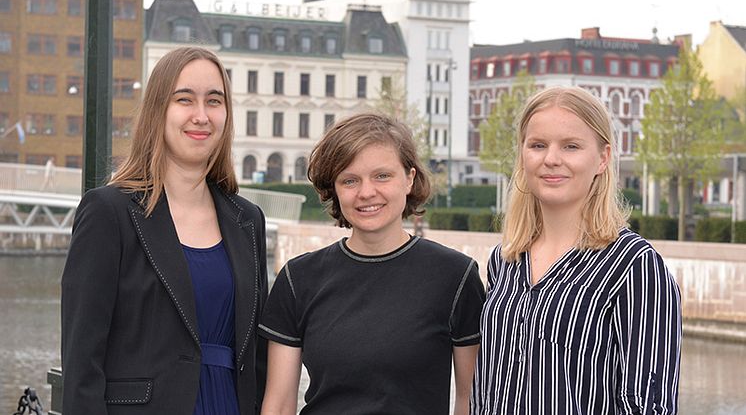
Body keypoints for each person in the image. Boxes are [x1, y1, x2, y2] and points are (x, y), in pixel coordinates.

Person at [61, 47, 268, 414]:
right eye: (184, 99)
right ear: (159, 109)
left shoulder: (248, 221)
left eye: (214, 101)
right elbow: (82, 361)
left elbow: (256, 355)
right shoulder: (109, 213)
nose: (201, 116)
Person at [471, 87, 682, 414]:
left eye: (570, 146)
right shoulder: (505, 261)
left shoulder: (635, 267)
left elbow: (646, 406)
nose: (551, 159)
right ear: (522, 155)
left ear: (602, 158)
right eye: (538, 145)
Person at [258, 112, 486, 415]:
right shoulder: (298, 279)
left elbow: (469, 399)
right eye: (350, 180)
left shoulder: (455, 277)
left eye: (382, 176)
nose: (366, 192)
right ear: (335, 190)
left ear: (409, 178)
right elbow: (280, 403)